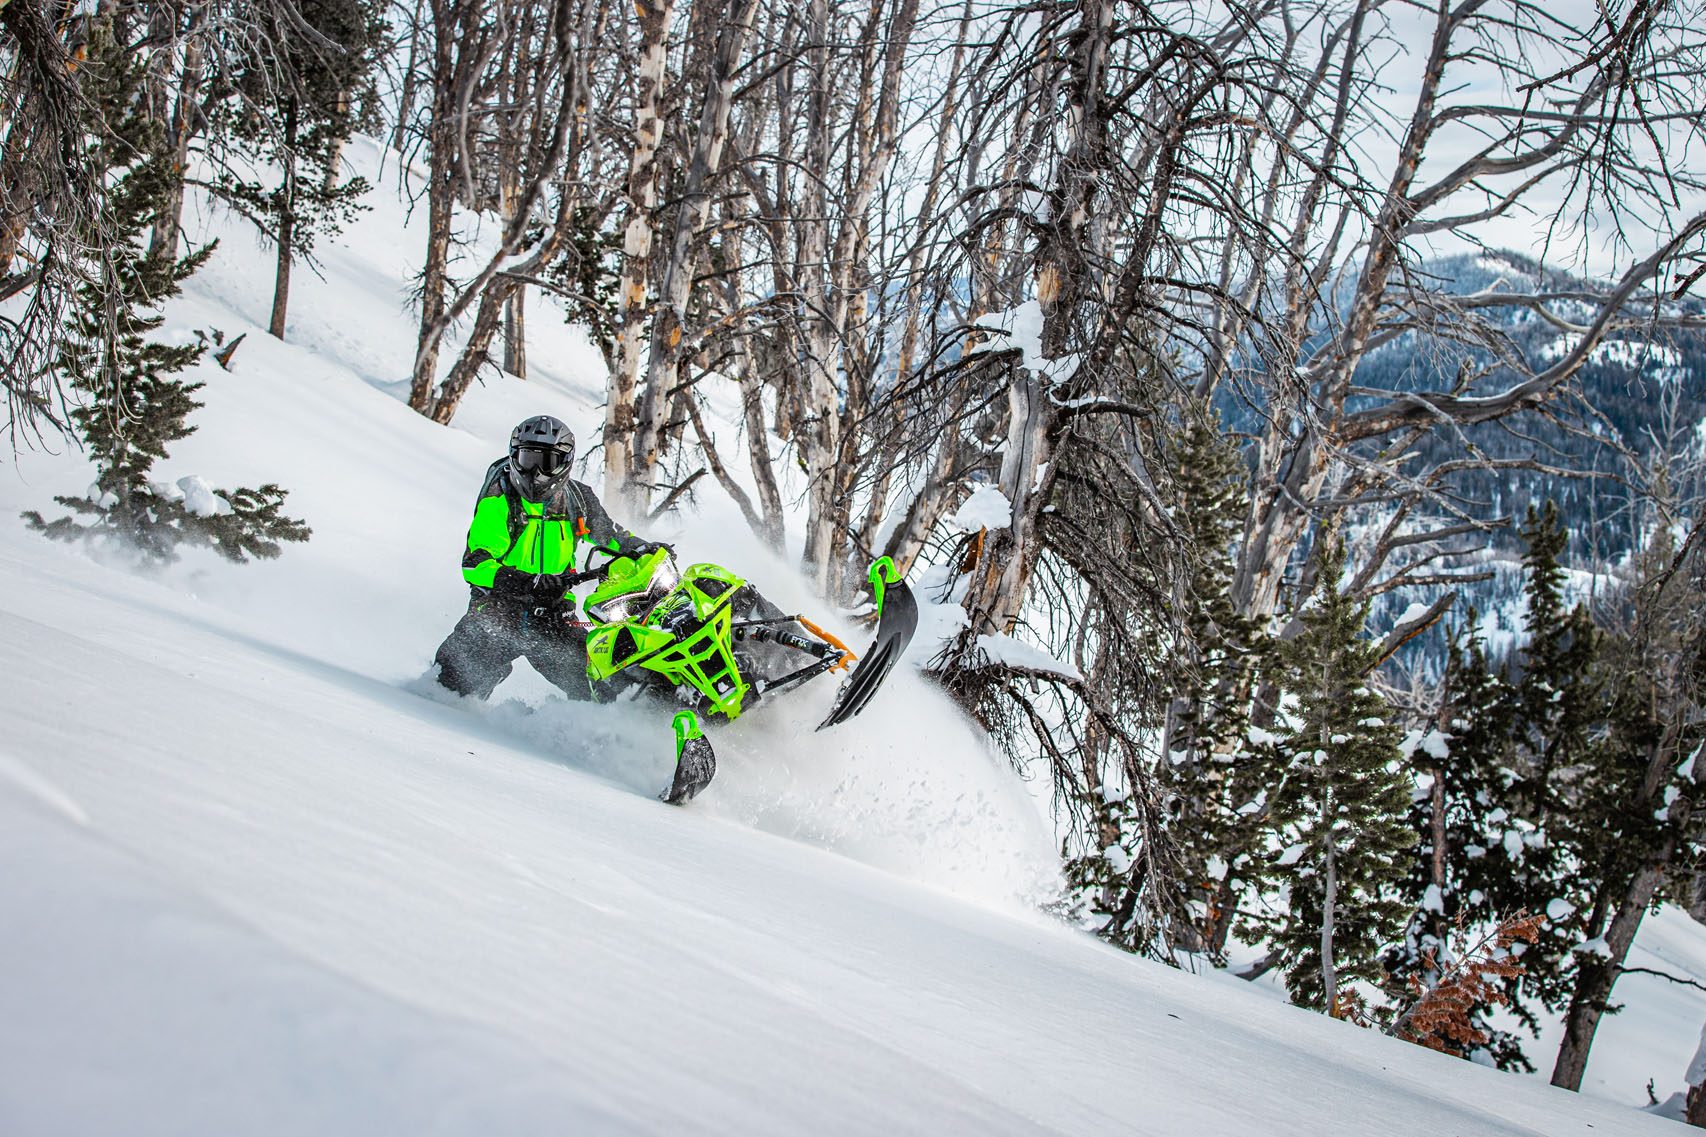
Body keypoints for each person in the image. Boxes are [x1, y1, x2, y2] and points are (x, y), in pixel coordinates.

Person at [433, 414, 653, 701]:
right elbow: (475, 564)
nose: (534, 472)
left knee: (598, 683)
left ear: (564, 462)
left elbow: (610, 534)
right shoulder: (500, 497)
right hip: (498, 610)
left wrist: (642, 548)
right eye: (527, 459)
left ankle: (604, 730)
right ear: (514, 456)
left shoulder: (577, 498)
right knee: (446, 688)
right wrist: (525, 582)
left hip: (553, 613)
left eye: (545, 462)